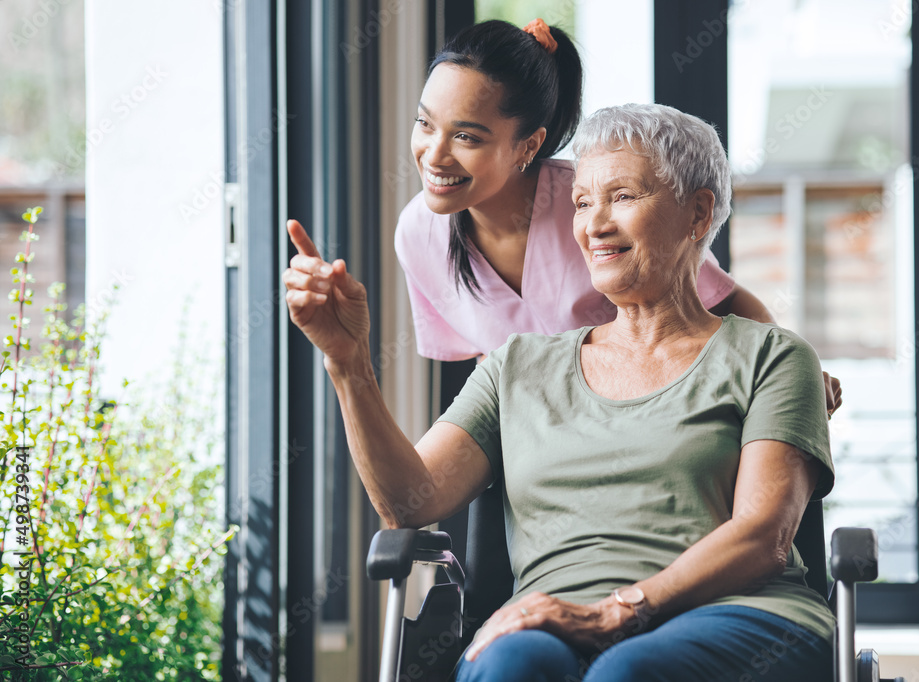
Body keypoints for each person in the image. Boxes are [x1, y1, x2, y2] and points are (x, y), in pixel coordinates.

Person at [283, 103, 835, 681]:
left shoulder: (773, 357)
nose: (594, 224)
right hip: (548, 619)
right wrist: (348, 364)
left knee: (627, 672)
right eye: (581, 202)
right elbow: (409, 502)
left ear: (698, 213)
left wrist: (615, 612)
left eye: (622, 196)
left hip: (740, 615)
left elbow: (763, 536)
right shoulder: (517, 365)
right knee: (513, 667)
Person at [394, 17, 841, 413]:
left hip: (647, 421)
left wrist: (795, 373)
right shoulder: (417, 235)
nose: (434, 155)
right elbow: (483, 363)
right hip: (533, 447)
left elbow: (725, 300)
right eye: (424, 123)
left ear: (528, 145)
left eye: (467, 137)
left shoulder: (595, 202)